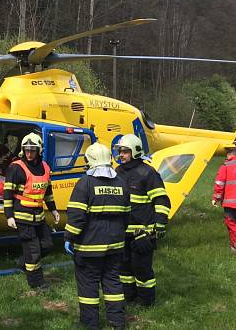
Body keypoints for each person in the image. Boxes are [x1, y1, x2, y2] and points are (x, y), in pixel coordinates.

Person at [64, 142, 130, 330]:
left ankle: (90, 324)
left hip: (89, 249)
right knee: (113, 283)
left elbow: (77, 216)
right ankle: (117, 323)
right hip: (115, 247)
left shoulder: (85, 183)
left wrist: (69, 237)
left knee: (88, 287)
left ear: (90, 160)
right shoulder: (121, 183)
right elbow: (127, 215)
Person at [114, 134, 170, 306]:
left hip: (143, 232)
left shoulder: (148, 173)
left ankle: (146, 302)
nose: (121, 155)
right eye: (120, 151)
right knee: (124, 269)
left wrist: (160, 224)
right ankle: (128, 298)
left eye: (124, 151)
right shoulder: (117, 172)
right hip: (123, 232)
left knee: (142, 269)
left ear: (135, 152)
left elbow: (161, 200)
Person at [4, 133, 60, 289]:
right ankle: (37, 283)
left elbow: (47, 192)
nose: (29, 153)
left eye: (32, 150)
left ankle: (23, 262)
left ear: (39, 150)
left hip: (39, 215)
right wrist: (9, 216)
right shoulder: (16, 168)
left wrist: (54, 210)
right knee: (33, 251)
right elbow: (8, 193)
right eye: (26, 150)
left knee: (48, 244)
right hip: (22, 216)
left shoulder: (46, 168)